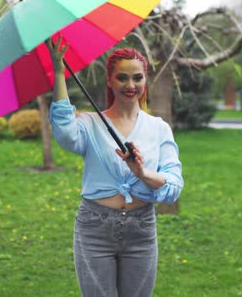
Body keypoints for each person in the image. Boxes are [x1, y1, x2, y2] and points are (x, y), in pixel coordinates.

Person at [49, 39, 184, 297]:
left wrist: (142, 173)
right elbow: (65, 133)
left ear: (145, 80)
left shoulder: (158, 128)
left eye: (137, 78)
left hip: (141, 229)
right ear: (110, 81)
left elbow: (173, 186)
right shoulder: (90, 123)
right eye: (122, 78)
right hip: (94, 228)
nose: (130, 85)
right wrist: (59, 73)